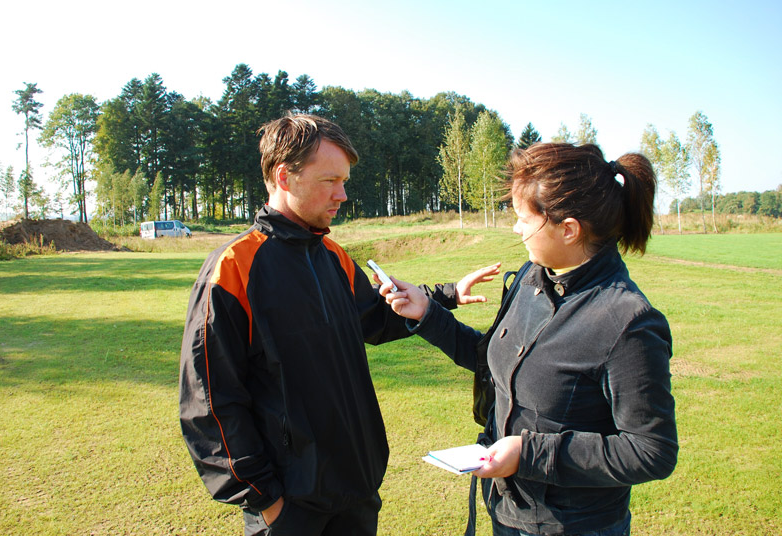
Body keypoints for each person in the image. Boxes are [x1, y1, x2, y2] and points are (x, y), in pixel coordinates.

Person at [179, 113, 499, 536]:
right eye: (331, 180)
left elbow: (377, 319)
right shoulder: (234, 269)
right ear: (284, 176)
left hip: (357, 490)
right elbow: (210, 402)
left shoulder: (333, 256)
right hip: (291, 505)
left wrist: (444, 296)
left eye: (344, 181)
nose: (343, 194)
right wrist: (266, 500)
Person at [380, 143, 678, 535]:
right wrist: (428, 313)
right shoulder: (530, 278)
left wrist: (529, 454)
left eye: (524, 218)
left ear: (569, 229)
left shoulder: (628, 321)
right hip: (507, 514)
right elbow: (492, 361)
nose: (516, 229)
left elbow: (651, 451)